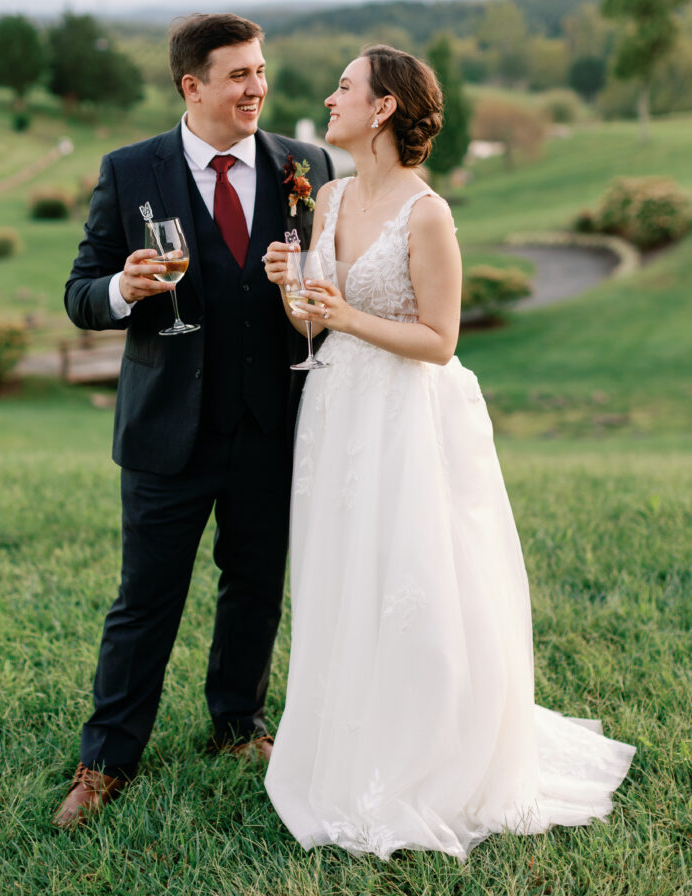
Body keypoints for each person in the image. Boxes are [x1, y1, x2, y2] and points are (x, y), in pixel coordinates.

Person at [262, 45, 634, 860]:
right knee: (339, 572)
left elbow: (438, 340)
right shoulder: (325, 196)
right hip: (335, 409)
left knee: (411, 577)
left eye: (345, 87)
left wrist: (345, 317)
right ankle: (342, 744)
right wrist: (288, 285)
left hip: (405, 417)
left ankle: (426, 757)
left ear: (383, 108)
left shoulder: (425, 212)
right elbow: (311, 323)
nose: (330, 98)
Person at [54, 13, 334, 828]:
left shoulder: (303, 164)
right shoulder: (129, 169)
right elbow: (80, 293)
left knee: (253, 587)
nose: (257, 88)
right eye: (239, 75)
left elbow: (313, 281)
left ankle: (237, 725)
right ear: (192, 85)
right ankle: (105, 761)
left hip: (269, 423)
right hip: (166, 431)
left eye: (260, 71)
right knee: (146, 599)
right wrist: (123, 291)